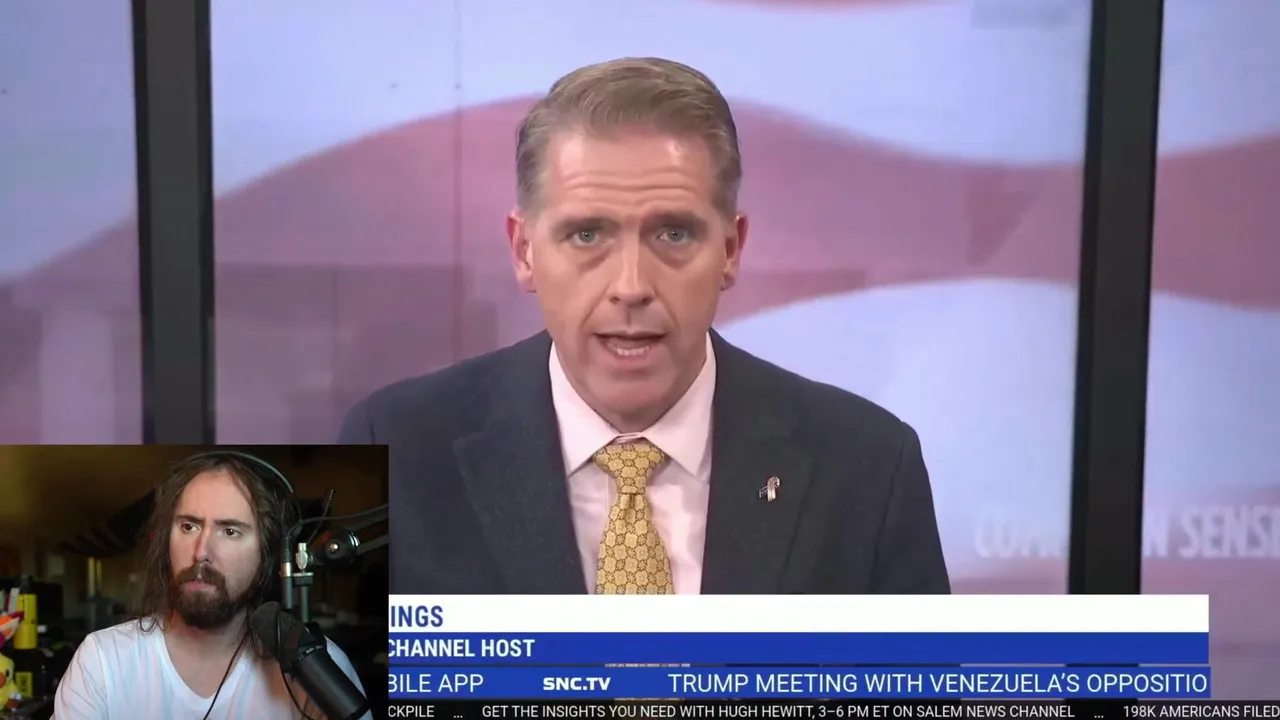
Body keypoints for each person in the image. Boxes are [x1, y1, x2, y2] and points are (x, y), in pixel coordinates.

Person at [339, 57, 950, 596]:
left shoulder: (867, 467)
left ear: (731, 249)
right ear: (524, 251)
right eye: (587, 234)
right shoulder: (395, 453)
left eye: (673, 234)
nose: (631, 285)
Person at [53, 453, 371, 719]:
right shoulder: (102, 661)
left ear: (266, 555)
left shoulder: (318, 671)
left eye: (230, 531)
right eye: (188, 526)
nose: (201, 552)